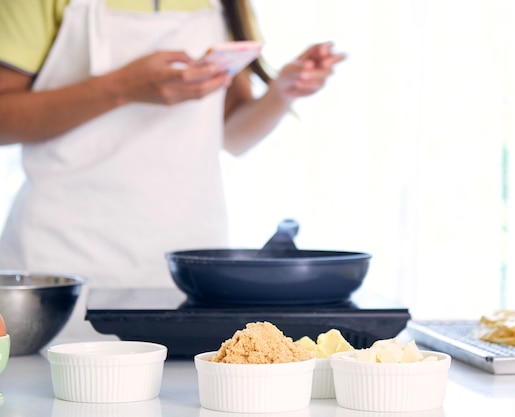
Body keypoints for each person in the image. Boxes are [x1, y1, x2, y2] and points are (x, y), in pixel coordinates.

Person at [0, 0, 345, 338]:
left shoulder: (226, 5)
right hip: (61, 259)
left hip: (189, 261)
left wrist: (279, 94)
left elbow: (233, 134)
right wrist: (121, 87)